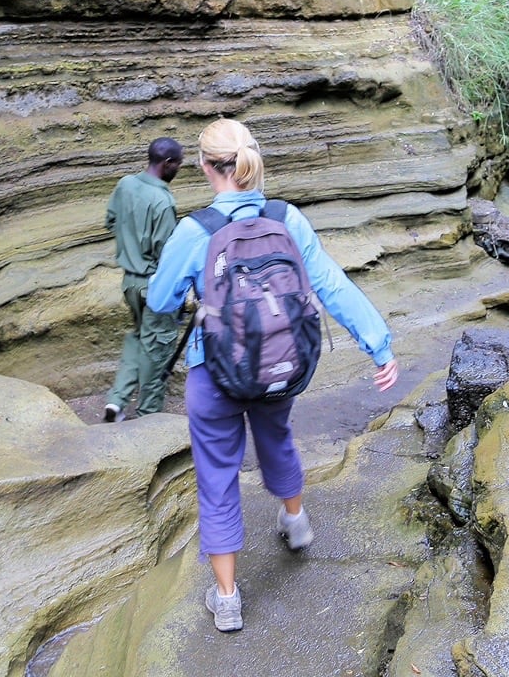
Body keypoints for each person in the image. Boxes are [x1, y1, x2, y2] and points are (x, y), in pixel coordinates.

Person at [146, 118, 399, 633]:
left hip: (213, 372)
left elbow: (159, 300)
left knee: (217, 477)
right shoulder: (287, 218)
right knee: (277, 438)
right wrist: (380, 346)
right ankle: (295, 520)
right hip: (281, 364)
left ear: (203, 165)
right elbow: (332, 284)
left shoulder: (196, 231)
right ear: (250, 160)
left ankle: (228, 598)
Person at [103, 136, 185, 422]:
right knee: (158, 351)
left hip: (130, 283)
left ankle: (116, 401)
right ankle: (149, 416)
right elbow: (166, 254)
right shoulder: (163, 202)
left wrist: (131, 245)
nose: (178, 170)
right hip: (154, 287)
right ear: (167, 163)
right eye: (178, 165)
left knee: (139, 338)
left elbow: (111, 220)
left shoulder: (125, 184)